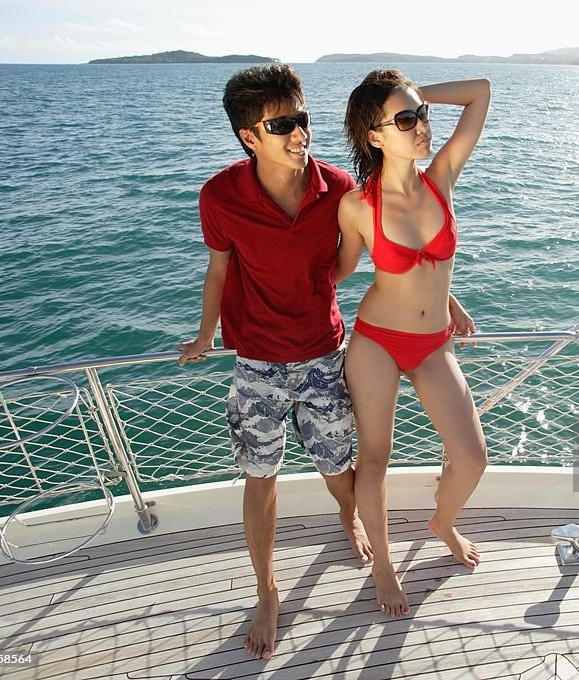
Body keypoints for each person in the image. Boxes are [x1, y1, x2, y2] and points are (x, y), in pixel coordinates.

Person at [178, 62, 373, 660]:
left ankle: (350, 518)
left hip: (322, 353)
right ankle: (267, 591)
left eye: (302, 119)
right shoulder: (220, 194)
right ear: (248, 136)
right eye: (282, 123)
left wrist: (320, 288)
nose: (299, 133)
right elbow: (219, 269)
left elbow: (354, 258)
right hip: (257, 363)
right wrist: (205, 333)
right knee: (259, 479)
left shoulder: (337, 186)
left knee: (340, 467)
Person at [336, 69, 491, 618]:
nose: (422, 126)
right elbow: (339, 270)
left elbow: (480, 93)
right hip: (377, 339)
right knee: (375, 457)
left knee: (472, 458)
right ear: (374, 136)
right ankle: (383, 567)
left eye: (421, 114)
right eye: (406, 119)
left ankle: (441, 522)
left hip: (433, 344)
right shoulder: (357, 206)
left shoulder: (441, 177)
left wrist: (421, 91)